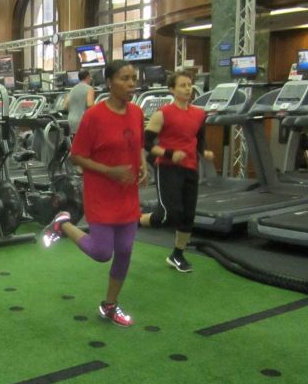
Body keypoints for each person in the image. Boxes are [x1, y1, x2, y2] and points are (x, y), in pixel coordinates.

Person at [42, 60, 148, 328]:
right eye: (125, 78)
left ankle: (109, 305)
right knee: (102, 252)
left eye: (133, 78)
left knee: (124, 251)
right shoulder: (94, 116)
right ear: (110, 83)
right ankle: (63, 224)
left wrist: (143, 164)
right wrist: (109, 171)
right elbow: (77, 156)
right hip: (101, 193)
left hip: (128, 194)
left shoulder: (136, 112)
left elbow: (137, 144)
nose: (131, 84)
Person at [139, 71, 213, 273]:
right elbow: (146, 143)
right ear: (172, 89)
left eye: (189, 85)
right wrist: (170, 153)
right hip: (168, 167)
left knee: (188, 215)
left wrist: (203, 152)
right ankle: (134, 219)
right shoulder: (162, 114)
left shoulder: (199, 114)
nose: (188, 89)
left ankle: (177, 255)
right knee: (170, 215)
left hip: (190, 168)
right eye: (182, 85)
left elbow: (198, 139)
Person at [65, 69, 95, 135]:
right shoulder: (89, 89)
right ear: (88, 77)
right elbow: (90, 105)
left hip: (71, 121)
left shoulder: (72, 89)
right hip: (82, 121)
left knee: (76, 142)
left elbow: (65, 106)